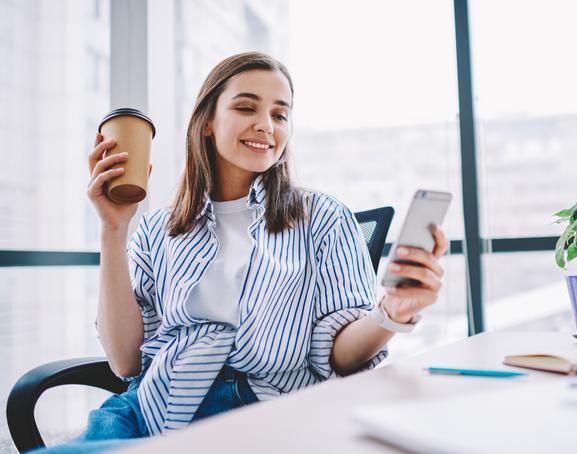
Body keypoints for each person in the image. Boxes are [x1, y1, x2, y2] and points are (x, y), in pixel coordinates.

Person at [34, 51, 448, 453]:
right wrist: (113, 229)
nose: (266, 125)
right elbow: (125, 362)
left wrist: (392, 311)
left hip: (267, 410)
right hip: (150, 408)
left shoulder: (323, 217)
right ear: (208, 122)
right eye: (247, 108)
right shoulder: (159, 228)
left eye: (280, 114)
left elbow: (337, 353)